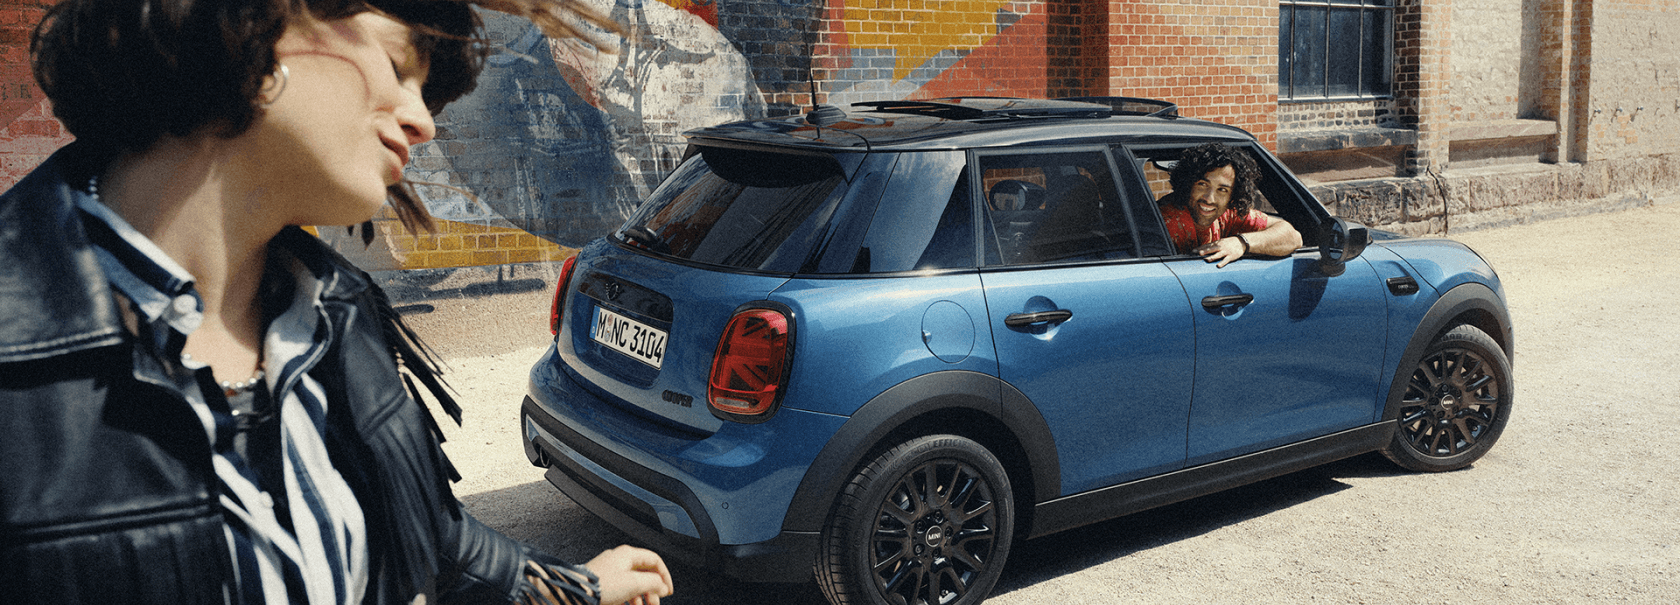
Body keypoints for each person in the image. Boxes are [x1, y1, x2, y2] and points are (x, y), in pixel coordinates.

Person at [0, 1, 673, 604]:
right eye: (397, 66)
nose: (423, 122)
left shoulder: (338, 314)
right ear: (266, 23)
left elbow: (429, 543)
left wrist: (576, 588)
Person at [1157, 142, 1303, 267]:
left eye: (1222, 190)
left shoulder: (1229, 213)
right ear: (1188, 184)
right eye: (1202, 184)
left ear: (1233, 196)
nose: (1210, 199)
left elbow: (1294, 237)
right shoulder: (1169, 221)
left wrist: (1241, 243)